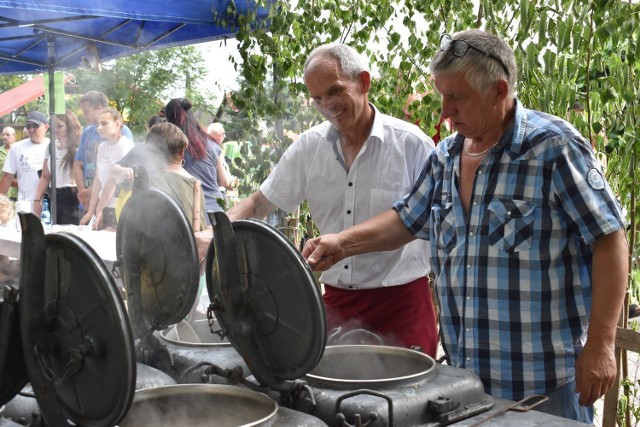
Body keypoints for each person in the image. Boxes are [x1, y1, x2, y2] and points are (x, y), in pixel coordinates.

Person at [302, 30, 628, 423]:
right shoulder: (447, 156)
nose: (444, 111)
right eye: (441, 94)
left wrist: (601, 344)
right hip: (463, 386)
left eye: (456, 97)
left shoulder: (552, 149)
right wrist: (342, 242)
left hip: (543, 387)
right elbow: (406, 219)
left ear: (498, 90)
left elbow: (609, 239)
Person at [226, 44, 438, 355]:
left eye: (335, 91)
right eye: (317, 98)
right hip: (337, 306)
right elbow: (259, 203)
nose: (327, 105)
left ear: (363, 82)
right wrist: (218, 229)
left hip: (402, 305)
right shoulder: (309, 148)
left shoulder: (412, 145)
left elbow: (431, 225)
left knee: (407, 401)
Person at [165, 98, 224, 221]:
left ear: (169, 121)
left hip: (191, 215)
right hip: (217, 213)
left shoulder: (172, 146)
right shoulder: (212, 144)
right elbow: (223, 181)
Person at [73, 90, 133, 210]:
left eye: (86, 112)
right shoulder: (87, 132)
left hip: (111, 202)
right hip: (88, 200)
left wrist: (93, 194)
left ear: (99, 109)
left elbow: (119, 173)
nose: (84, 116)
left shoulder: (122, 131)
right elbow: (77, 164)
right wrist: (83, 193)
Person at [80, 108, 134, 229]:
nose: (99, 128)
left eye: (104, 124)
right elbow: (98, 181)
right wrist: (91, 210)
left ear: (117, 124)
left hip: (118, 206)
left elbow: (112, 181)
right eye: (97, 124)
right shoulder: (102, 147)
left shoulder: (125, 145)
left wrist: (99, 209)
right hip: (103, 204)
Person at [32, 110, 83, 224]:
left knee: (70, 233)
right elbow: (45, 176)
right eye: (53, 126)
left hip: (72, 196)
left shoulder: (79, 148)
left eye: (59, 126)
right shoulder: (51, 146)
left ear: (70, 126)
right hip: (54, 196)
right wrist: (37, 200)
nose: (55, 129)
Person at [0, 111, 50, 202]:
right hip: (25, 204)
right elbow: (7, 177)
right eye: (28, 126)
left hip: (50, 203)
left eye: (35, 126)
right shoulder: (16, 148)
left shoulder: (52, 146)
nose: (31, 129)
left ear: (46, 127)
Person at [207, 122, 235, 196]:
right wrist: (231, 183)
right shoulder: (215, 148)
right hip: (216, 191)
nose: (224, 136)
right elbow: (223, 181)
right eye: (223, 133)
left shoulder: (207, 146)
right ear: (214, 134)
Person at [0, 126, 17, 200]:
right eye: (3, 134)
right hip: (3, 193)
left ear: (14, 136)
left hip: (18, 191)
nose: (4, 136)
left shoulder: (20, 150)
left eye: (7, 134)